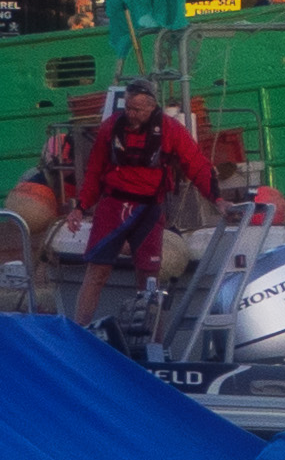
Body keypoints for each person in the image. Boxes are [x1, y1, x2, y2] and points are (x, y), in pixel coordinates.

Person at [73, 82, 208, 329]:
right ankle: (78, 331)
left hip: (148, 210)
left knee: (148, 279)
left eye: (137, 109)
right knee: (96, 272)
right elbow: (94, 171)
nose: (131, 114)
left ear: (152, 106)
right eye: (128, 107)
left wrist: (217, 197)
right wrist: (80, 207)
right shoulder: (110, 127)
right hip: (112, 208)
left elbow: (196, 164)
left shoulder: (170, 130)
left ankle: (151, 337)